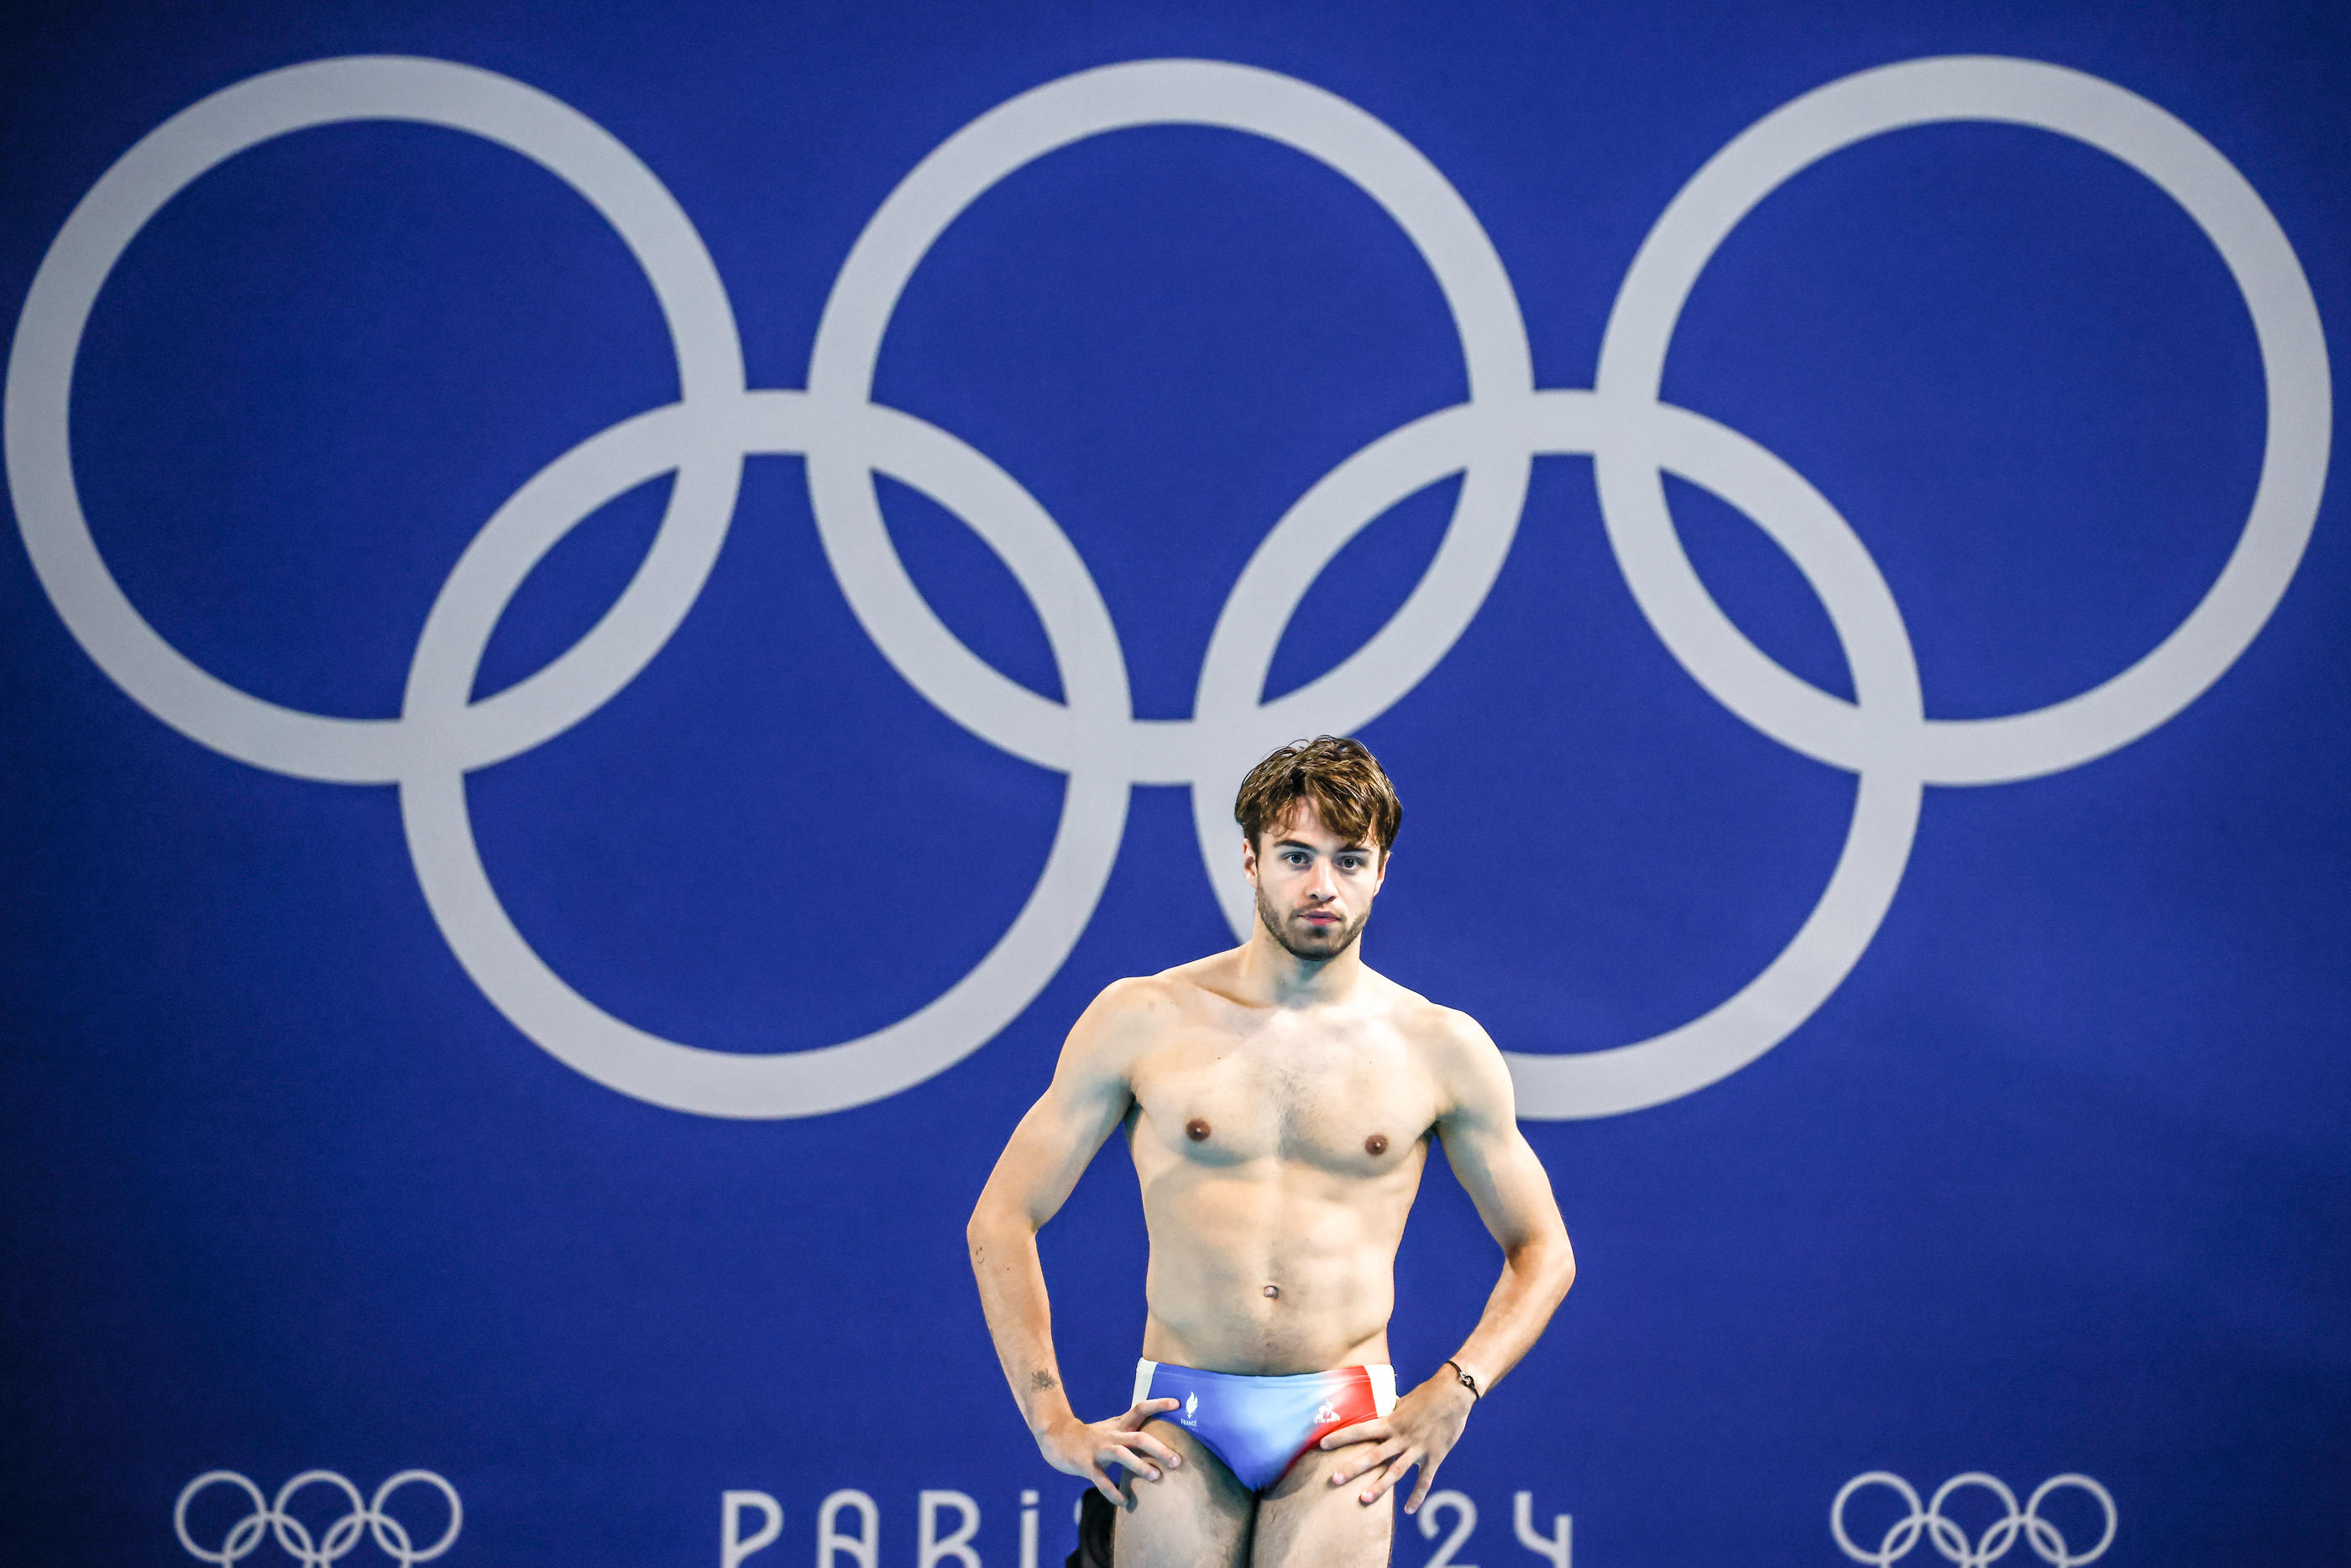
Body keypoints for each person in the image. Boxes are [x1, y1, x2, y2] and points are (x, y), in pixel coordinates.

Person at [967, 736, 1577, 1566]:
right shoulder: (1141, 1017)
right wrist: (1050, 1416)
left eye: (1348, 858)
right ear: (1250, 860)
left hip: (1345, 1418)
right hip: (1182, 1410)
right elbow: (1002, 1215)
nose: (1322, 884)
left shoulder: (1439, 1046)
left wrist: (1457, 1386)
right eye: (1296, 855)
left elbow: (1544, 1248)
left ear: (1381, 870)